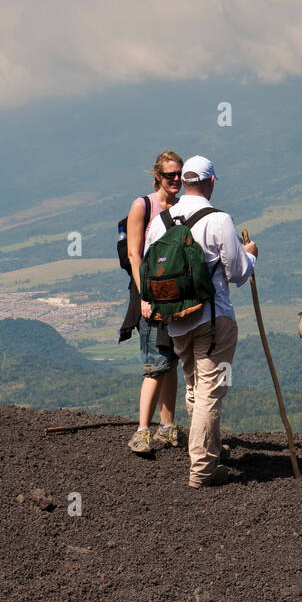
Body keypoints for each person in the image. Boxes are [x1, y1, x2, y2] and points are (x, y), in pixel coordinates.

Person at [142, 155, 258, 487]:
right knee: (210, 392)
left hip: (176, 320)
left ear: (186, 181)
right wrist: (250, 253)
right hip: (213, 317)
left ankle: (207, 455)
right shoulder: (218, 219)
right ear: (209, 182)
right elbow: (237, 273)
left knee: (194, 387)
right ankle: (203, 469)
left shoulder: (161, 221)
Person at [124, 149, 184, 458]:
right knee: (155, 364)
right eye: (170, 175)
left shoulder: (181, 207)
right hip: (149, 295)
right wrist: (144, 296)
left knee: (171, 362)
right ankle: (142, 431)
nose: (176, 179)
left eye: (179, 174)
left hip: (175, 298)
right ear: (157, 176)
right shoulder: (143, 206)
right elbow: (135, 255)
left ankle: (168, 426)